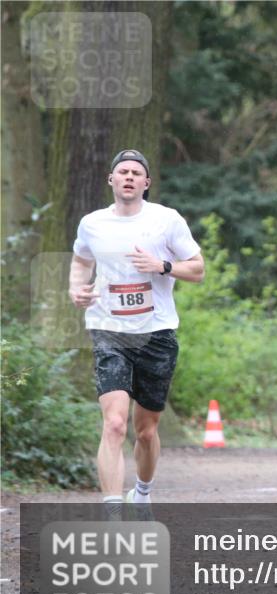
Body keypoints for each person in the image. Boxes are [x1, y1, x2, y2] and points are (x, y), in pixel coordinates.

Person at [68, 149, 204, 519]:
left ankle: (142, 493)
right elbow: (81, 261)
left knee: (145, 431)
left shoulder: (167, 220)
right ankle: (112, 512)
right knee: (113, 422)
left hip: (156, 332)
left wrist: (162, 265)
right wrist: (76, 290)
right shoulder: (92, 223)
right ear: (111, 180)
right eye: (122, 171)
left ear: (146, 183)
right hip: (109, 330)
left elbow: (198, 269)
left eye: (136, 173)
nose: (128, 177)